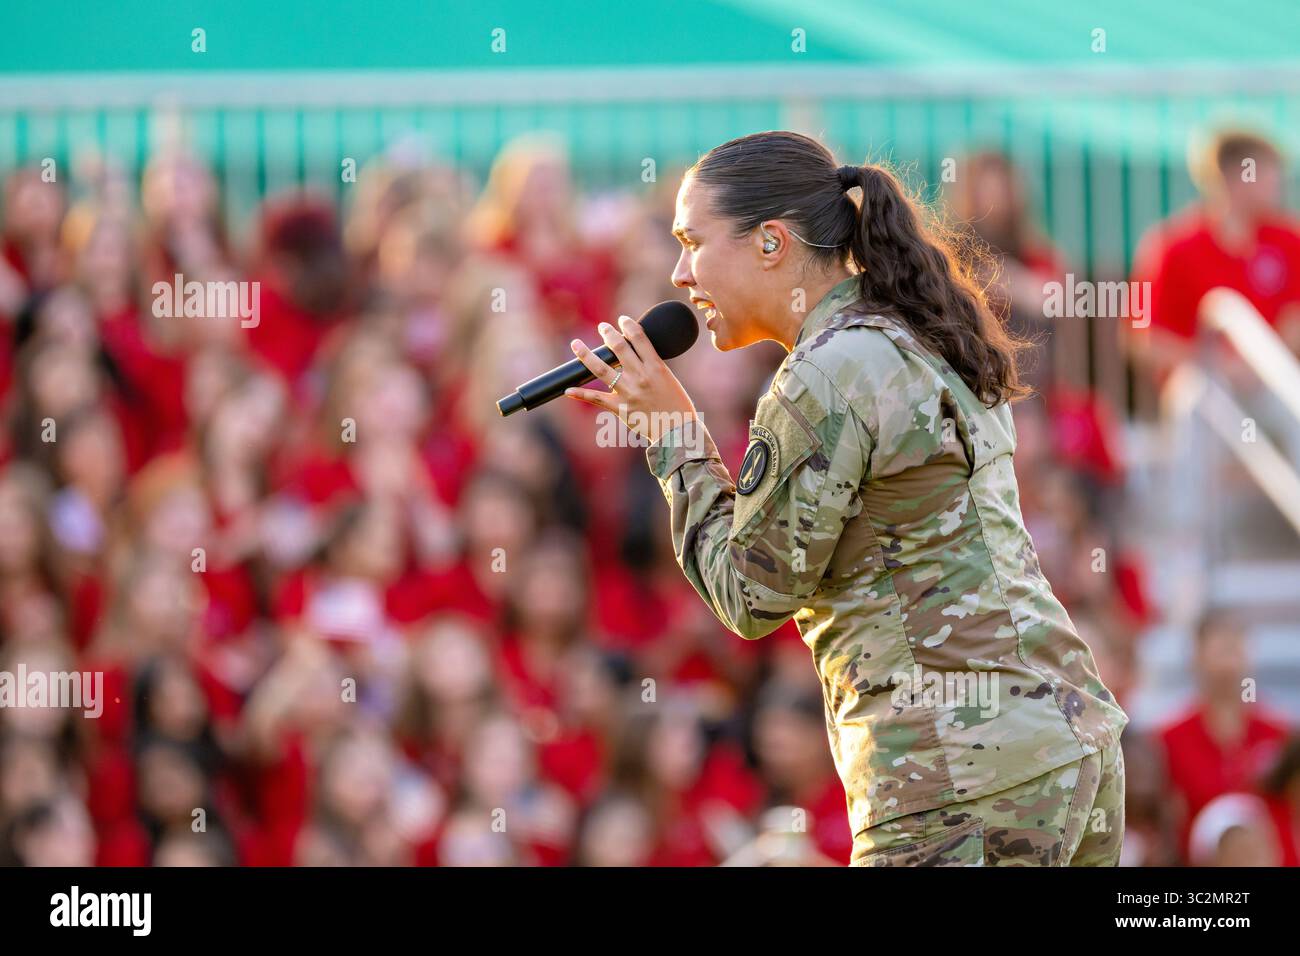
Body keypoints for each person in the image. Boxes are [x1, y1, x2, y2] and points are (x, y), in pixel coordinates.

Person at [564, 130, 1129, 866]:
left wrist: (674, 436)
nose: (678, 273)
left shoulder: (826, 374)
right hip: (1069, 750)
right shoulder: (919, 331)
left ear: (772, 242)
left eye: (692, 242)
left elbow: (751, 594)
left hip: (956, 780)